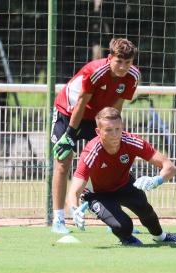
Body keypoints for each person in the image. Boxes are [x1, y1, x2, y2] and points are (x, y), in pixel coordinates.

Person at [51, 38, 140, 234]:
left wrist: (113, 130)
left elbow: (116, 106)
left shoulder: (133, 76)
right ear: (110, 58)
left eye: (128, 62)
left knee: (109, 161)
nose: (123, 67)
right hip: (69, 112)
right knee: (63, 160)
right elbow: (82, 102)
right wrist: (70, 135)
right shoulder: (95, 71)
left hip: (98, 116)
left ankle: (114, 219)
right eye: (119, 62)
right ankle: (58, 220)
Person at [66, 107, 176, 245]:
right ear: (98, 131)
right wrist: (74, 209)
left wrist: (157, 180)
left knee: (146, 211)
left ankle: (161, 237)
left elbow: (170, 167)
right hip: (97, 195)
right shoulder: (91, 152)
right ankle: (126, 238)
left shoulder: (131, 141)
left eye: (118, 129)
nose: (115, 134)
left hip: (123, 185)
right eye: (108, 130)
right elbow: (74, 191)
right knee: (124, 226)